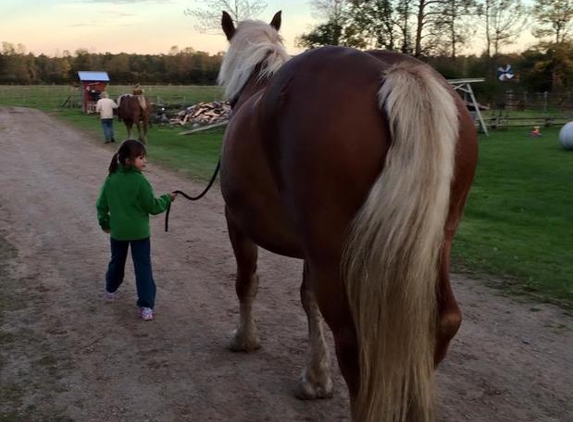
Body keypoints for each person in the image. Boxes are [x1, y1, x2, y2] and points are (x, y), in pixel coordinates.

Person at [96, 139, 177, 321]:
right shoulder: (140, 182)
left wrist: (105, 224)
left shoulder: (111, 179)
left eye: (144, 158)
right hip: (140, 234)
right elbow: (153, 206)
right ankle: (146, 305)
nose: (144, 161)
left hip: (118, 233)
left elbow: (101, 205)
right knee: (143, 268)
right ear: (127, 160)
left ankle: (110, 289)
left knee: (116, 262)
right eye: (140, 158)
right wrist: (167, 198)